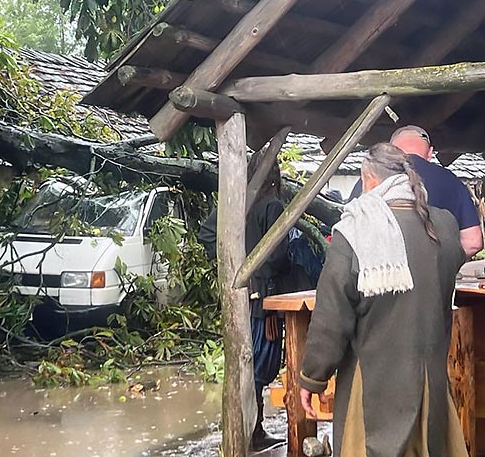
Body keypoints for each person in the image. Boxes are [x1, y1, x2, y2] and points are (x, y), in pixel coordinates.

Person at [299, 143, 468, 457]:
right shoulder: (443, 226)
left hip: (374, 385)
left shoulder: (356, 229)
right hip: (430, 379)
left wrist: (313, 378)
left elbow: (331, 317)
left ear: (369, 179)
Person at [198, 151, 290, 451]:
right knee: (261, 367)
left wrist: (235, 268)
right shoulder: (273, 206)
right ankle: (252, 431)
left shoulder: (236, 203)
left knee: (244, 365)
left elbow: (207, 233)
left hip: (239, 297)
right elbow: (277, 257)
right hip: (266, 301)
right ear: (274, 175)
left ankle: (250, 429)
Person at [349, 125, 482, 258]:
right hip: (432, 277)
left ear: (390, 151)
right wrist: (444, 267)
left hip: (379, 273)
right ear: (430, 153)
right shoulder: (452, 182)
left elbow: (349, 234)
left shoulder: (368, 179)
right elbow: (473, 242)